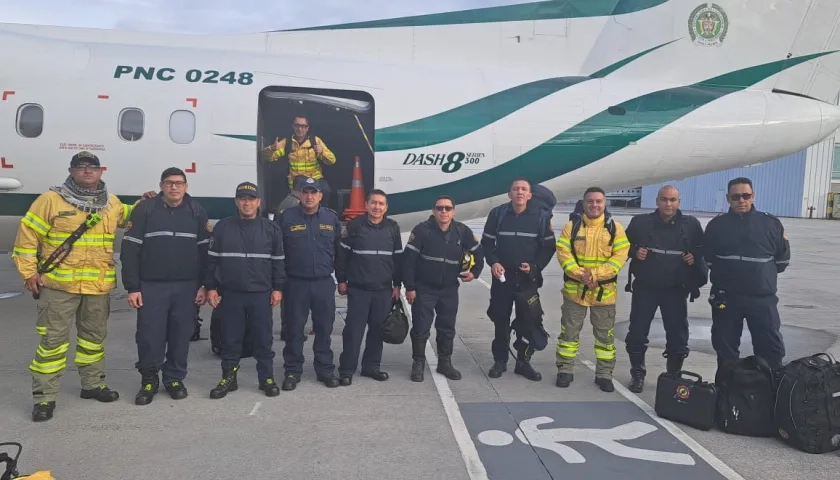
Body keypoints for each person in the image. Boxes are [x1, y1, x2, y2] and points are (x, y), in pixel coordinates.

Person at [11, 151, 149, 422]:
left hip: (97, 288)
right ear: (71, 171)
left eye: (93, 167)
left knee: (93, 340)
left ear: (101, 171)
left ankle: (92, 384)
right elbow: (27, 238)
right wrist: (29, 273)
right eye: (81, 167)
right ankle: (45, 398)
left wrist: (147, 202)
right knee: (52, 343)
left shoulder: (111, 203)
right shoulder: (50, 200)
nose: (87, 171)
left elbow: (130, 216)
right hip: (58, 287)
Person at [120, 167, 212, 405]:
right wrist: (133, 287)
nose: (174, 187)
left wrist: (204, 285)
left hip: (187, 286)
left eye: (179, 183)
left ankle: (174, 379)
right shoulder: (146, 210)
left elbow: (205, 252)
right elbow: (130, 249)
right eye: (169, 183)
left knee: (181, 335)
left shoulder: (196, 211)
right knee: (150, 336)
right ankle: (149, 380)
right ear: (161, 185)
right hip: (152, 286)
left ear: (186, 186)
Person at [204, 182, 285, 399]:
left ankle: (266, 378)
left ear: (258, 202)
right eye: (242, 198)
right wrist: (210, 287)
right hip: (231, 293)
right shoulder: (223, 227)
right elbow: (211, 262)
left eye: (251, 198)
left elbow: (278, 262)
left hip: (261, 294)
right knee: (230, 339)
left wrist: (278, 288)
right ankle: (229, 378)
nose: (246, 203)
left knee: (263, 339)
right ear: (236, 202)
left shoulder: (271, 229)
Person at [622, 185, 707, 393]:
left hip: (676, 290)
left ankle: (673, 376)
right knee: (637, 333)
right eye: (664, 199)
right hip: (646, 288)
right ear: (657, 201)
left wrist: (694, 258)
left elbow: (703, 249)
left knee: (678, 335)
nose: (668, 204)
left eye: (672, 200)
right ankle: (638, 373)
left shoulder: (691, 225)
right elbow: (621, 243)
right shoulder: (641, 223)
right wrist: (634, 251)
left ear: (679, 202)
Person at [704, 177, 790, 373]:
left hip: (761, 299)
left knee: (770, 349)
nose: (741, 200)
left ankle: (771, 393)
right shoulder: (716, 226)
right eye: (735, 196)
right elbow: (708, 259)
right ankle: (726, 395)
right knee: (725, 349)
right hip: (726, 298)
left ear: (753, 196)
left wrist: (759, 276)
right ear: (728, 198)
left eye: (746, 195)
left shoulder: (771, 224)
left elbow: (782, 261)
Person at [554, 187, 630, 392]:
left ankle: (604, 374)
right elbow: (563, 254)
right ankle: (565, 370)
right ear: (584, 203)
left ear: (605, 203)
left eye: (598, 201)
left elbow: (619, 258)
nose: (594, 205)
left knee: (605, 337)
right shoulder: (572, 227)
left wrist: (594, 275)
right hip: (574, 293)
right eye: (590, 201)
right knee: (568, 335)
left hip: (604, 295)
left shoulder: (616, 229)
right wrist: (582, 275)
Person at [481, 178, 557, 381]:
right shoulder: (497, 214)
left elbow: (549, 247)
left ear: (530, 195)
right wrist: (493, 262)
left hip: (526, 281)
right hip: (502, 279)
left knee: (529, 321)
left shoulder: (540, 217)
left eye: (524, 189)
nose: (520, 192)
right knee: (500, 320)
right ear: (509, 194)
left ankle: (523, 363)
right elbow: (487, 243)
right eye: (515, 189)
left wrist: (535, 267)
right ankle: (500, 361)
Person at [402, 195, 484, 382]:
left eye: (448, 208)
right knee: (421, 327)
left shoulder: (462, 231)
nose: (444, 211)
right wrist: (410, 287)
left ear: (453, 211)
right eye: (440, 208)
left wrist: (475, 273)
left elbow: (479, 251)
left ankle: (445, 363)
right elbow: (409, 261)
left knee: (447, 328)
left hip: (449, 290)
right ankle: (418, 363)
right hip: (424, 289)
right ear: (433, 211)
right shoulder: (422, 230)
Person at [275, 177, 343, 390]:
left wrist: (342, 280)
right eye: (305, 191)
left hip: (323, 283)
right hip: (296, 284)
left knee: (324, 329)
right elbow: (277, 253)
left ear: (321, 195)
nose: (309, 196)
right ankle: (292, 371)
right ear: (299, 193)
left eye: (314, 192)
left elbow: (339, 253)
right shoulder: (286, 218)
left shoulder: (331, 219)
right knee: (294, 330)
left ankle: (325, 369)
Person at [335, 189, 402, 385]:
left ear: (386, 207)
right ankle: (346, 370)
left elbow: (398, 258)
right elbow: (342, 256)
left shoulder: (393, 228)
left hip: (383, 290)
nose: (377, 207)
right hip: (359, 290)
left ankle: (371, 367)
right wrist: (341, 279)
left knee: (377, 331)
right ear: (366, 205)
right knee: (353, 331)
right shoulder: (354, 226)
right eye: (373, 203)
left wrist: (397, 284)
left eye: (381, 204)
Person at [263, 114, 337, 205]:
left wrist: (322, 152)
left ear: (307, 128)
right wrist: (272, 148)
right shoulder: (287, 142)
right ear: (293, 127)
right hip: (296, 183)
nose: (300, 129)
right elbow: (269, 158)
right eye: (297, 125)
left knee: (326, 191)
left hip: (315, 179)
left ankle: (321, 216)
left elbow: (332, 160)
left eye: (303, 126)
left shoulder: (315, 140)